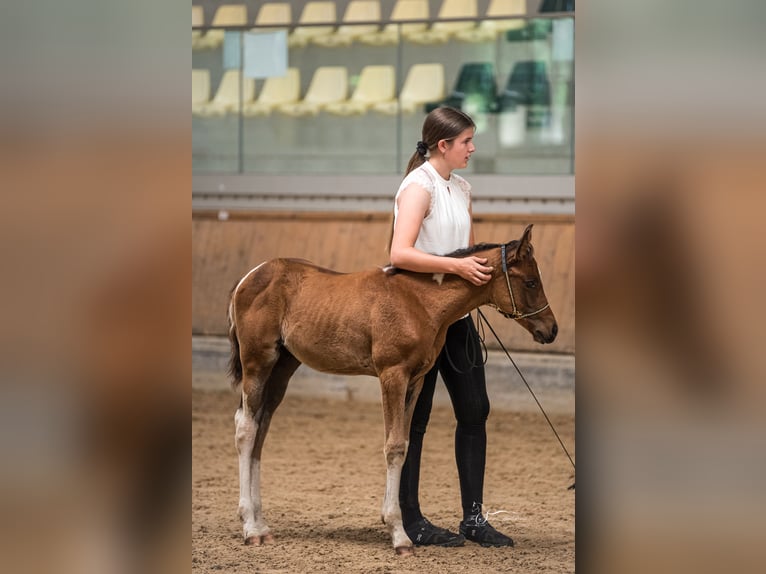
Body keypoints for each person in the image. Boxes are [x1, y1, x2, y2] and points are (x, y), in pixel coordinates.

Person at [388, 106, 514, 548]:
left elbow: (464, 248)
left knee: (475, 409)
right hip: (416, 320)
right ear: (444, 145)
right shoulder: (418, 186)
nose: (472, 148)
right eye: (466, 142)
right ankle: (410, 517)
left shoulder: (461, 187)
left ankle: (474, 518)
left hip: (455, 318)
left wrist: (473, 271)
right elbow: (399, 253)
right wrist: (456, 268)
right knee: (415, 419)